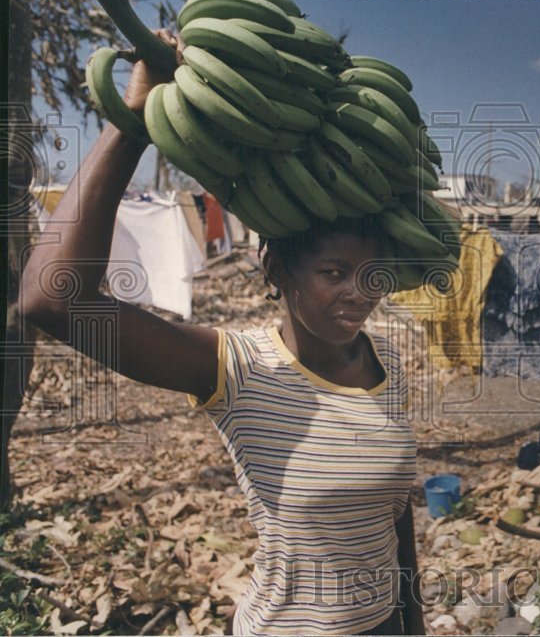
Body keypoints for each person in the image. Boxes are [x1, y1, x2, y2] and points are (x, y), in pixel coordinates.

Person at [21, 31, 425, 636]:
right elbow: (54, 300)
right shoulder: (237, 367)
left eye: (372, 274)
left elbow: (393, 519)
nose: (360, 293)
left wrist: (411, 623)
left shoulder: (381, 359)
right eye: (335, 273)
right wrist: (132, 125)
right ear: (276, 270)